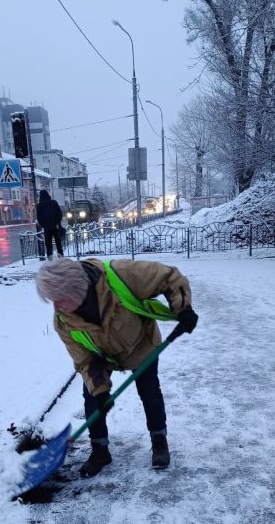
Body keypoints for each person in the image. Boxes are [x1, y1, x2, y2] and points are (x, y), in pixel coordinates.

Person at [35, 257, 198, 477]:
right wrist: (101, 390)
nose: (56, 307)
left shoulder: (122, 275)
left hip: (141, 344)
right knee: (92, 399)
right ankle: (100, 450)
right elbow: (84, 360)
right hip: (102, 356)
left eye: (60, 299)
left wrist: (183, 308)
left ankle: (159, 441)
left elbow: (169, 276)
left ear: (77, 290)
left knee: (150, 393)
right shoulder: (64, 321)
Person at [36, 189, 64, 260]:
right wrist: (57, 223)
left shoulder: (39, 206)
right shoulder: (54, 203)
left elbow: (39, 218)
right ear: (48, 195)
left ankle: (50, 259)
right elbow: (59, 214)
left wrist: (44, 225)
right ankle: (61, 258)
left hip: (47, 229)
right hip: (56, 227)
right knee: (58, 243)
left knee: (48, 245)